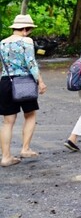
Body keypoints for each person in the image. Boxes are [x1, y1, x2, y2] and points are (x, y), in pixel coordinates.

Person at [0, 14, 47, 167]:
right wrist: (40, 81)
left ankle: (6, 157)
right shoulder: (26, 41)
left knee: (8, 121)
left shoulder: (2, 43)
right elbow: (31, 63)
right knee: (30, 114)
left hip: (6, 81)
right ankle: (25, 148)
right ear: (26, 29)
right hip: (24, 81)